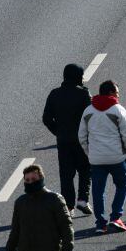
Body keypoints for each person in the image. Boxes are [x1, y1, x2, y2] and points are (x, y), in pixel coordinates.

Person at [78, 79, 126, 234]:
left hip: (96, 159)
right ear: (110, 93)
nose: (118, 95)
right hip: (117, 157)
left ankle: (100, 224)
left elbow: (82, 136)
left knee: (98, 190)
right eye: (117, 92)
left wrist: (90, 153)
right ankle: (116, 217)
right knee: (122, 185)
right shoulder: (118, 110)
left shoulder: (88, 111)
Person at [42, 64, 93, 215]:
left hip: (63, 140)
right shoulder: (83, 94)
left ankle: (68, 207)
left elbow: (46, 118)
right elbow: (91, 116)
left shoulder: (54, 94)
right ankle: (82, 200)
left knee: (66, 174)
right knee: (85, 169)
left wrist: (58, 131)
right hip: (81, 140)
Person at [4, 164, 74, 251]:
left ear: (41, 178)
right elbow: (15, 230)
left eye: (33, 179)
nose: (30, 182)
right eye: (27, 180)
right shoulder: (20, 202)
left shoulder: (55, 199)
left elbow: (66, 228)